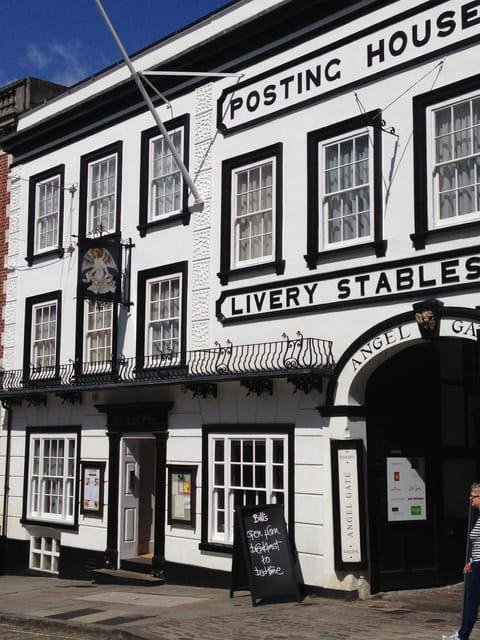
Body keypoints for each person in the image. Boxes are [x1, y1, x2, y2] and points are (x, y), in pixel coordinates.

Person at [443, 483, 480, 640]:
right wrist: (472, 561)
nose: (470, 497)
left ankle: (462, 636)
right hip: (477, 563)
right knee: (471, 599)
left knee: (471, 600)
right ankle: (462, 634)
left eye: (474, 495)